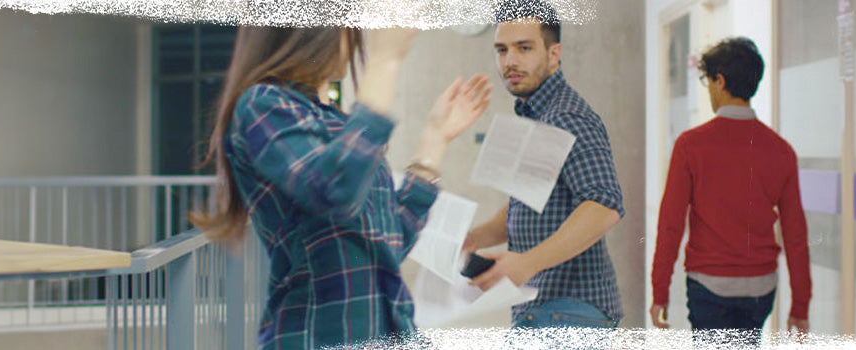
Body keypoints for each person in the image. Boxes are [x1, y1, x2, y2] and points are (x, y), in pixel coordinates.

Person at [189, 26, 492, 349]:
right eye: (350, 29)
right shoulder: (263, 104)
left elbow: (390, 242)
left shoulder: (335, 123)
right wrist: (384, 60)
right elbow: (335, 191)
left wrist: (435, 140)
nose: (356, 39)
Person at [462, 0, 626, 329]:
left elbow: (604, 204)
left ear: (553, 55)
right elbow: (525, 205)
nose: (510, 61)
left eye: (524, 48)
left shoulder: (567, 115)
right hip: (547, 309)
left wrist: (527, 263)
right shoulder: (537, 113)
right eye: (502, 50)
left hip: (567, 311)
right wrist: (474, 238)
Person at [649, 37, 811, 347]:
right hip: (760, 288)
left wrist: (660, 291)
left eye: (707, 81)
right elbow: (795, 234)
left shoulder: (690, 145)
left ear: (720, 81)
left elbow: (670, 224)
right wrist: (800, 305)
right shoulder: (781, 151)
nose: (708, 89)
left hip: (709, 285)